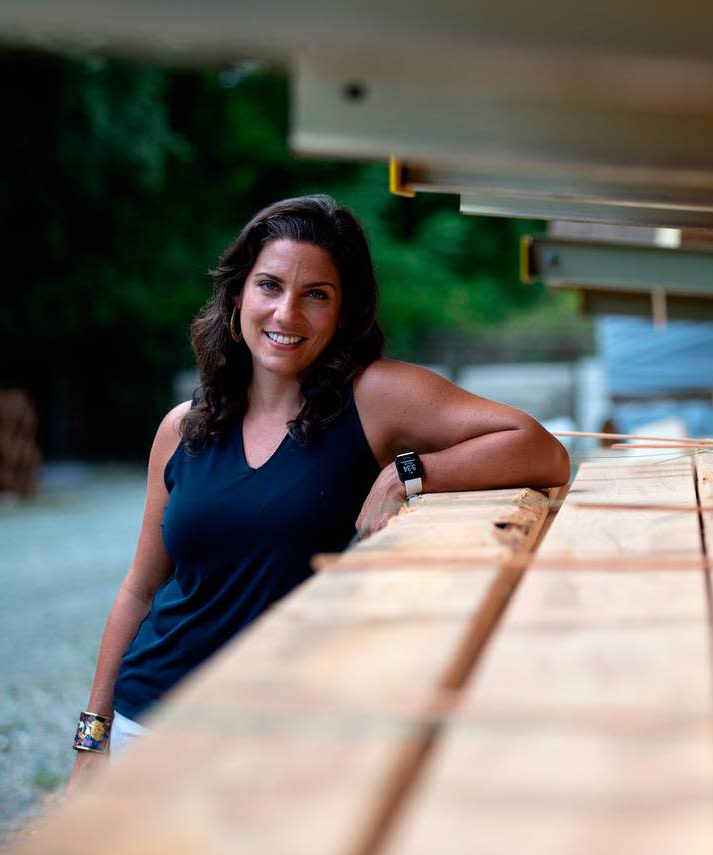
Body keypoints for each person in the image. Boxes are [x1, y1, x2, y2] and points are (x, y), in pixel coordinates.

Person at [67, 195, 570, 793]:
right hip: (145, 723)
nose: (287, 313)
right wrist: (92, 737)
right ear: (237, 295)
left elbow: (539, 448)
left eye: (316, 295)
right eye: (270, 286)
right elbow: (140, 588)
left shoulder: (373, 397)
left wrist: (410, 472)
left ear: (343, 311)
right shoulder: (183, 427)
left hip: (274, 729)